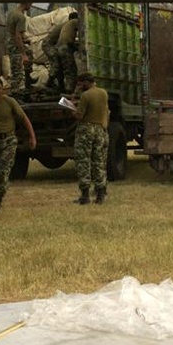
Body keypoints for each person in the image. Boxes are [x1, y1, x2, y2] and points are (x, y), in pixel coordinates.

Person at [0, 77, 36, 210]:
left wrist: (32, 137)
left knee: (3, 170)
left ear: (3, 89)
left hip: (8, 141)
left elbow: (24, 119)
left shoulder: (10, 102)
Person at [71, 72, 110, 205]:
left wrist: (71, 109)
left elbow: (79, 115)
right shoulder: (103, 93)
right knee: (98, 162)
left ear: (87, 82)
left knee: (83, 161)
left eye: (81, 83)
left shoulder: (85, 95)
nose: (80, 86)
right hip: (99, 129)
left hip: (86, 130)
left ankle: (85, 195)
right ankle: (100, 194)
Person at [6, 2, 33, 92]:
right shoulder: (21, 17)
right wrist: (23, 54)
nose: (31, 6)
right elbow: (17, 37)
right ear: (27, 2)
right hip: (15, 46)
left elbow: (12, 32)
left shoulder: (12, 13)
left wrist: (25, 40)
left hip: (11, 43)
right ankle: (15, 93)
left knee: (29, 53)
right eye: (31, 3)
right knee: (17, 72)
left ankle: (29, 79)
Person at [57, 11, 80, 92]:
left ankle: (63, 88)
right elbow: (83, 31)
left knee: (64, 69)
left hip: (60, 48)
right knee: (71, 70)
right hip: (65, 48)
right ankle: (69, 90)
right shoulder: (75, 22)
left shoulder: (67, 24)